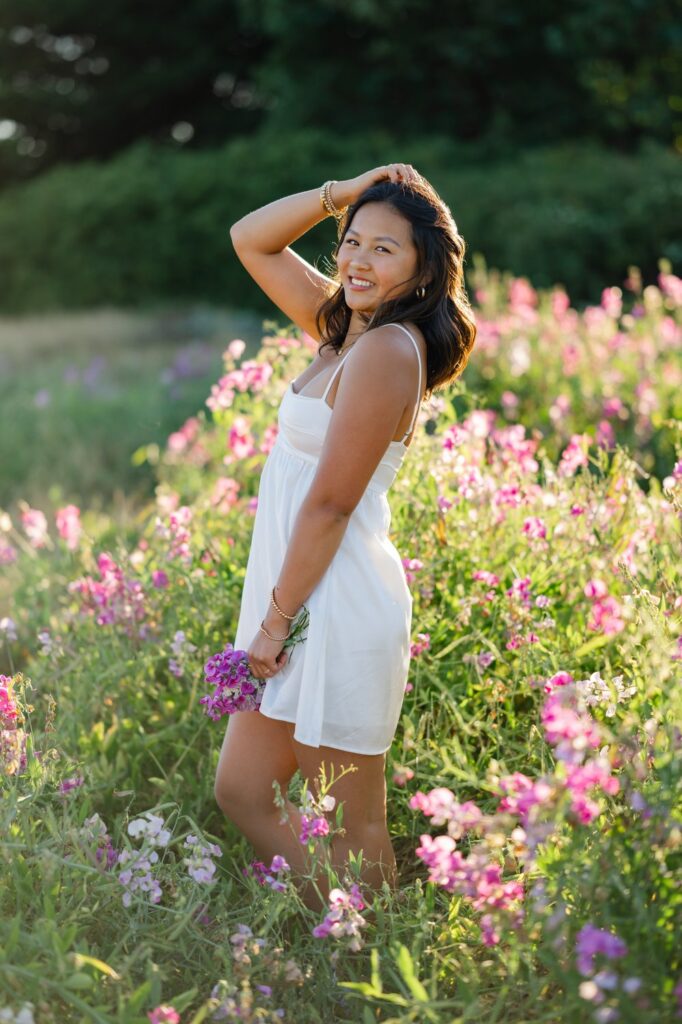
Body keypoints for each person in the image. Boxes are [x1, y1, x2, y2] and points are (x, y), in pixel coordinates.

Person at [214, 163, 477, 908]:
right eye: (351, 243)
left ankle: (368, 966)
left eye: (384, 249)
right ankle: (342, 929)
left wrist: (273, 624)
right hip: (295, 598)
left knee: (352, 822)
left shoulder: (388, 354)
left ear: (424, 267)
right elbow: (250, 241)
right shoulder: (343, 332)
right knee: (242, 790)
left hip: (330, 609)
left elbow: (329, 506)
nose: (358, 261)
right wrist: (345, 192)